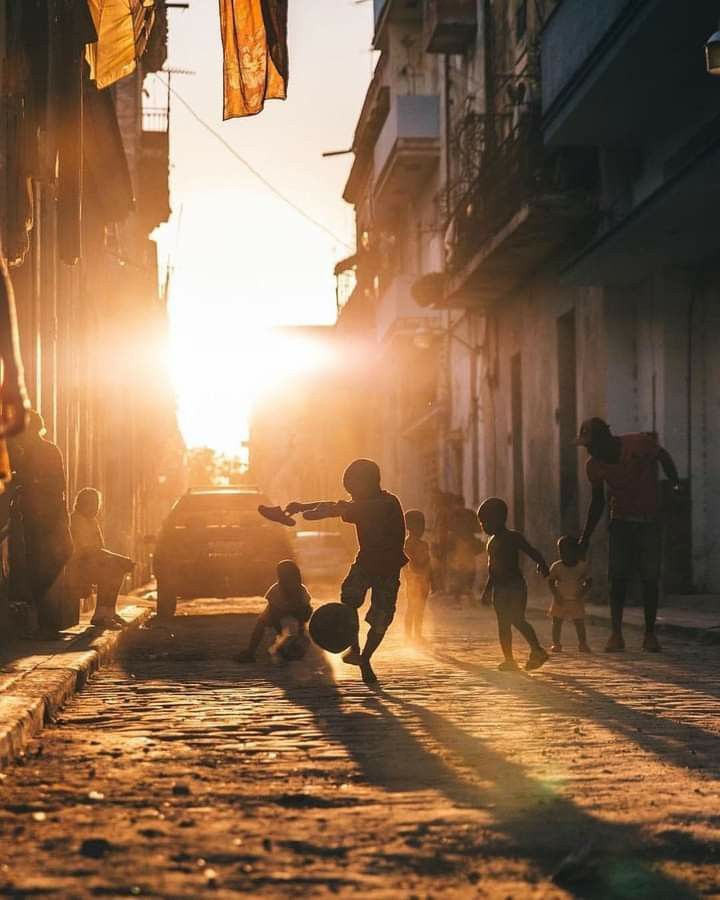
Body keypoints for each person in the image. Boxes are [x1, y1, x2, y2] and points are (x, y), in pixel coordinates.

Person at [282, 458, 407, 685]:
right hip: (365, 563)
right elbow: (338, 504)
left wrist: (318, 513)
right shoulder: (363, 501)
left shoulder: (384, 504)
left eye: (354, 489)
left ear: (369, 483)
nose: (352, 494)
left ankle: (365, 658)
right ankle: (355, 650)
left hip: (387, 569)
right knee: (348, 601)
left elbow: (340, 508)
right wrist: (303, 507)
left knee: (381, 617)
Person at [577, 417, 681, 653]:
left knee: (650, 578)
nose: (589, 450)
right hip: (621, 523)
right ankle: (616, 634)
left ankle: (650, 634)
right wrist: (586, 536)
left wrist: (675, 485)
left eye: (592, 445)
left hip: (649, 521)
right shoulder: (593, 466)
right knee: (618, 579)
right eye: (587, 446)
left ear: (606, 439)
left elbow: (663, 456)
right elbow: (597, 502)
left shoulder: (639, 444)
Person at [8, 410, 74, 635]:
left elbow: (58, 484)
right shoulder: (23, 454)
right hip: (32, 521)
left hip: (49, 520)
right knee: (37, 569)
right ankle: (45, 623)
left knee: (50, 565)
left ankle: (48, 621)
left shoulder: (47, 451)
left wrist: (31, 483)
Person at [478, 497, 550, 672]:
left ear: (499, 519)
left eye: (485, 522)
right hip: (500, 589)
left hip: (515, 586)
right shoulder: (491, 542)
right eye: (481, 523)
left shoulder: (512, 537)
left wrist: (542, 564)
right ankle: (509, 660)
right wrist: (488, 590)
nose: (483, 526)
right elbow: (492, 570)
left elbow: (531, 551)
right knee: (503, 624)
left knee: (517, 619)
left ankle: (537, 650)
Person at [69, 488, 134, 629]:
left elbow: (98, 548)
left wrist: (119, 560)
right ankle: (100, 615)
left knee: (118, 568)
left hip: (91, 562)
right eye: (91, 504)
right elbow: (89, 550)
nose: (95, 508)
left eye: (97, 504)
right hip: (77, 566)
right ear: (81, 504)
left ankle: (109, 612)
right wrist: (118, 558)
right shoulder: (77, 520)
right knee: (110, 568)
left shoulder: (92, 521)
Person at [237, 559, 312, 662]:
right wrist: (282, 635)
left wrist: (300, 632)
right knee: (261, 623)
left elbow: (304, 611)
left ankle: (252, 652)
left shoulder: (299, 590)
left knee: (261, 624)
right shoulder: (278, 590)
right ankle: (252, 651)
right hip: (278, 610)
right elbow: (274, 614)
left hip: (292, 611)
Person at [548, 536, 592, 653]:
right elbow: (551, 582)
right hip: (560, 600)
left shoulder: (582, 566)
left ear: (575, 552)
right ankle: (556, 644)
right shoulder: (556, 566)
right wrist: (556, 595)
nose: (563, 554)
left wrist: (582, 593)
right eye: (560, 551)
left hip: (576, 600)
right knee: (557, 622)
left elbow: (589, 582)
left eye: (567, 551)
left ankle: (582, 644)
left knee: (579, 623)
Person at [403, 509, 432, 642]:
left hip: (424, 581)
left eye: (423, 524)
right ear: (409, 526)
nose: (422, 528)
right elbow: (410, 564)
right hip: (414, 582)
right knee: (412, 607)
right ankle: (409, 635)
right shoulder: (407, 544)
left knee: (420, 609)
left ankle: (417, 633)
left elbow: (428, 564)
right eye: (419, 525)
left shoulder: (423, 544)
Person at [446, 505, 484, 606]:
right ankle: (467, 597)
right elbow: (478, 529)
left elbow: (448, 530)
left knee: (459, 574)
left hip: (460, 547)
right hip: (467, 546)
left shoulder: (454, 515)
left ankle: (459, 600)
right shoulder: (469, 514)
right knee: (468, 572)